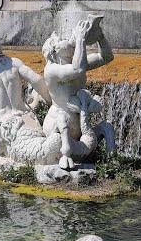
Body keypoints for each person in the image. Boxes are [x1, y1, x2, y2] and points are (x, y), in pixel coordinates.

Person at [37, 15, 116, 169]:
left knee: (108, 127)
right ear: (55, 50)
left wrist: (100, 36)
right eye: (62, 39)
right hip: (58, 127)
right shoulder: (52, 70)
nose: (68, 39)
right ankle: (64, 155)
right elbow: (77, 69)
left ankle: (112, 161)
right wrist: (80, 39)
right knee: (60, 124)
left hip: (80, 126)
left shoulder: (78, 62)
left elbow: (107, 57)